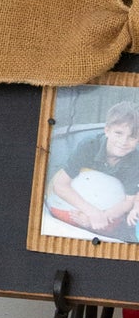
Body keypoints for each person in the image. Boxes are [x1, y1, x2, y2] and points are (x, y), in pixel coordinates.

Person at [50, 97, 139, 234]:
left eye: (132, 137)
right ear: (107, 130)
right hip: (72, 207)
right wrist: (93, 213)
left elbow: (129, 201)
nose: (123, 141)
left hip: (109, 215)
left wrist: (102, 217)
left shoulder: (135, 159)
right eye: (118, 133)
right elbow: (60, 185)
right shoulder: (89, 145)